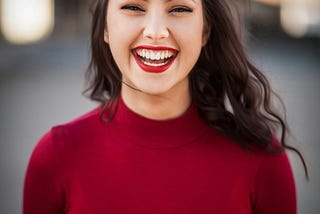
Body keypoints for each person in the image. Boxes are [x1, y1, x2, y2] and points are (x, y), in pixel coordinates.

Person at [23, 0, 307, 213]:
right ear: (106, 27)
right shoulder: (55, 158)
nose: (156, 32)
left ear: (205, 30)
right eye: (133, 6)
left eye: (179, 8)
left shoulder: (262, 161)